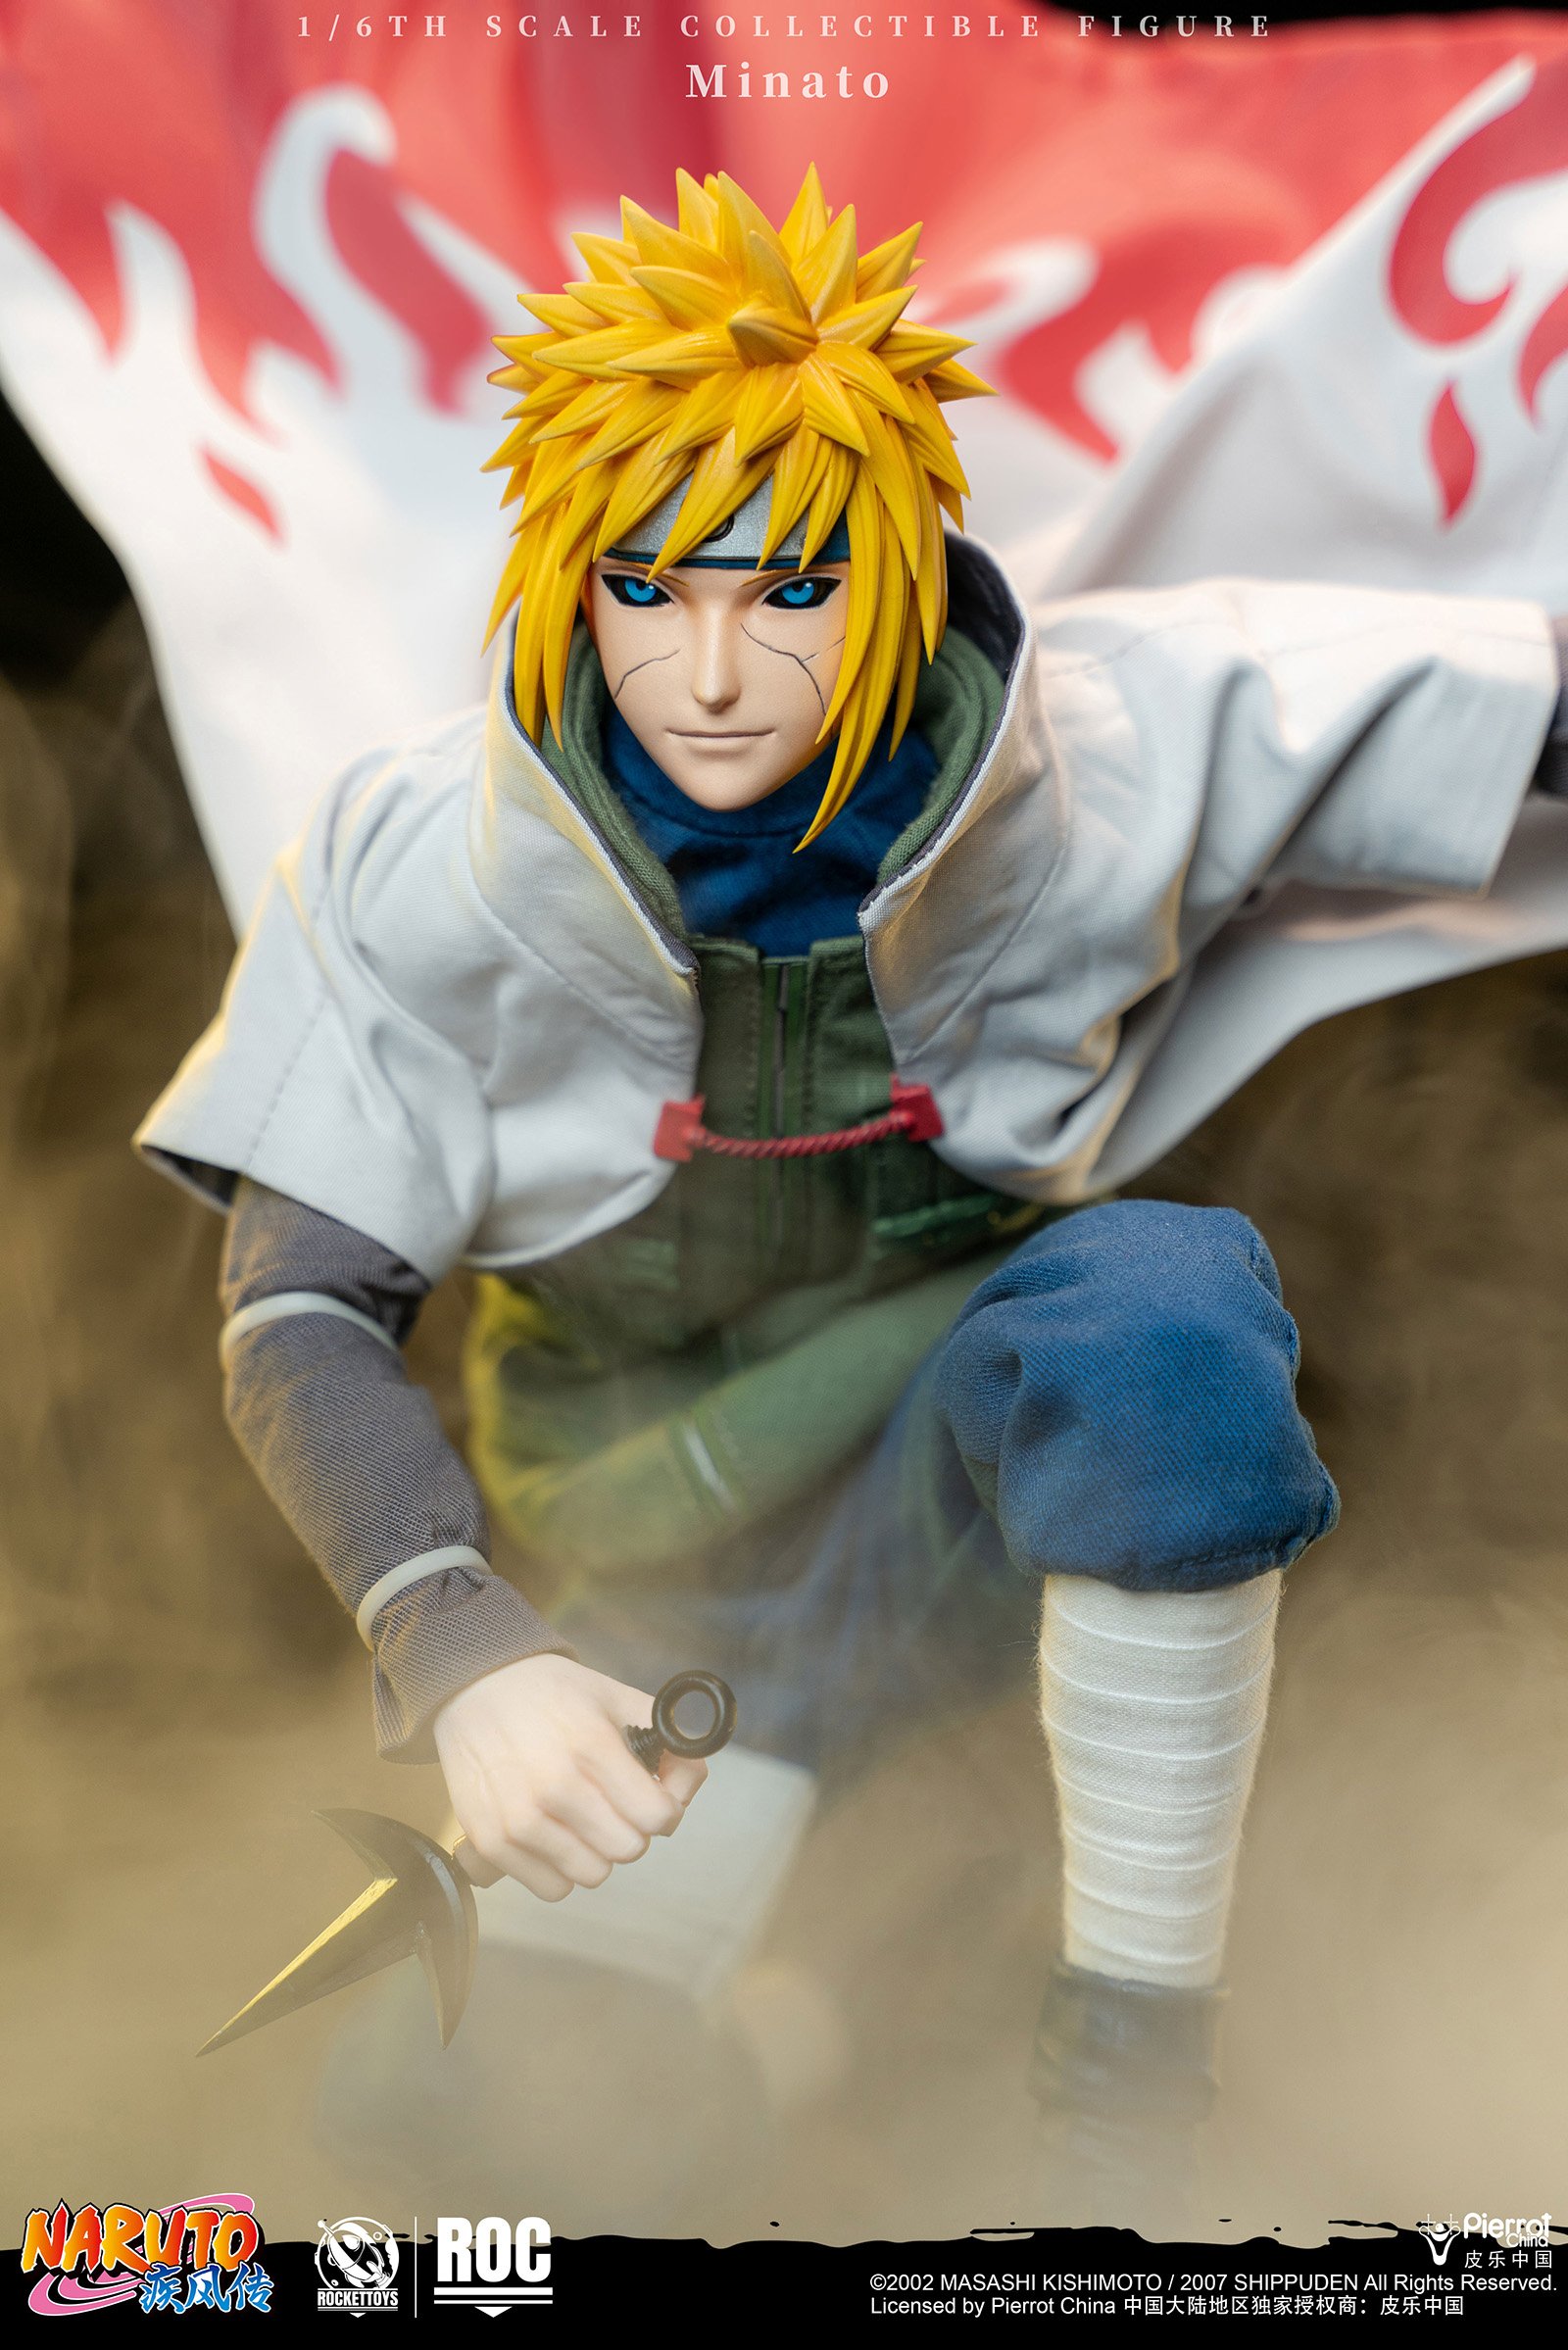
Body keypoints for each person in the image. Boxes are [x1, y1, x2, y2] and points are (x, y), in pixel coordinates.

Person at [137, 165, 1567, 2226]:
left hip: (978, 1506)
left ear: (892, 568)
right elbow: (294, 1309)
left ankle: (1127, 2103)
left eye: (791, 590)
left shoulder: (1103, 751)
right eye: (650, 590)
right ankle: (813, 2015)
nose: (714, 669)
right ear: (570, 581)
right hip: (664, 1623)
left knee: (1161, 1321)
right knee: (455, 2137)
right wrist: (458, 1644)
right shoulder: (414, 864)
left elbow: (1493, 711)